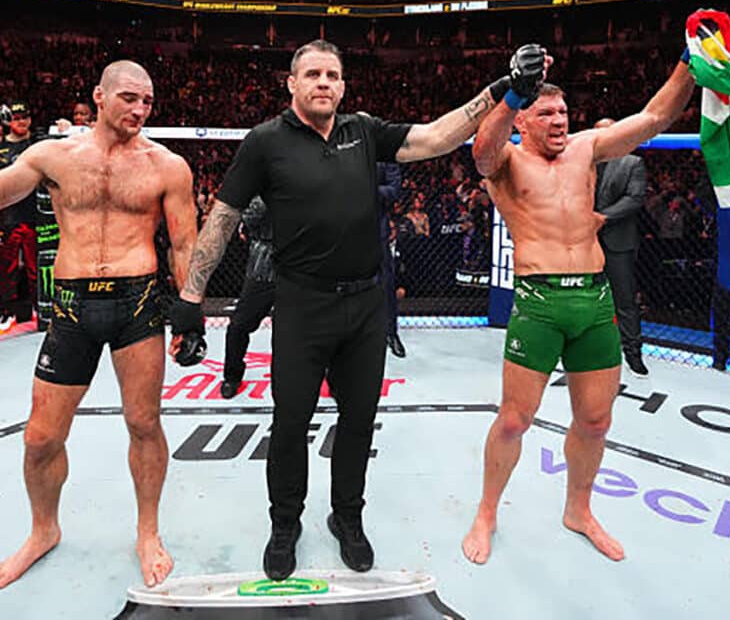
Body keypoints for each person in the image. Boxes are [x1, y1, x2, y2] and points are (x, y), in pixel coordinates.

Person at [167, 39, 547, 581]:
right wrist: (190, 297)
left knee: (358, 421)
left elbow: (438, 137)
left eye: (333, 75)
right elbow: (223, 218)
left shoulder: (363, 130)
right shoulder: (265, 142)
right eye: (314, 74)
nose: (324, 83)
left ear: (343, 85)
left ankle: (347, 517)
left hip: (365, 305)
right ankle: (284, 524)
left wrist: (503, 90)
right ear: (292, 84)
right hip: (300, 303)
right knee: (291, 421)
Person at [0, 61, 199, 590]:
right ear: (99, 97)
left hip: (138, 303)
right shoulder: (51, 155)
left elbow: (183, 244)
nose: (139, 109)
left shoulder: (168, 165)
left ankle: (148, 532)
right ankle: (43, 531)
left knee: (143, 423)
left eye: (148, 102)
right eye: (129, 98)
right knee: (40, 438)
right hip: (71, 305)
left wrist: (189, 310)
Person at [460, 49, 696, 566]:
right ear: (522, 118)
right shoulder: (507, 159)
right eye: (545, 113)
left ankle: (579, 510)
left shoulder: (587, 148)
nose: (559, 121)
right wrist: (514, 91)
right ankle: (486, 511)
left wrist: (687, 62)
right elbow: (481, 151)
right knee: (515, 420)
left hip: (594, 297)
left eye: (563, 113)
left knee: (595, 420)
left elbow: (654, 118)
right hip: (540, 301)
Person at [593, 117, 649, 377]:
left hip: (617, 241)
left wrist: (602, 218)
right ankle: (585, 350)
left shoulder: (632, 162)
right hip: (584, 241)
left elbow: (634, 198)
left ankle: (633, 354)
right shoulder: (582, 163)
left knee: (625, 301)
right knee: (583, 298)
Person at [0, 99, 39, 333]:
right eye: (17, 118)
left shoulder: (39, 143)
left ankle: (41, 308)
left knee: (36, 268)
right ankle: (7, 312)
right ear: (9, 122)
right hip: (7, 216)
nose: (22, 122)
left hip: (36, 215)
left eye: (25, 117)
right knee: (6, 270)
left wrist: (64, 127)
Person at [221, 195, 276, 398]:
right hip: (263, 267)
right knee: (239, 325)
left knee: (298, 329)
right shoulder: (265, 184)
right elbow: (250, 215)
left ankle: (331, 377)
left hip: (298, 266)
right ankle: (231, 376)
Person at [377, 162, 405, 358]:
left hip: (376, 227)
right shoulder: (343, 147)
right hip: (345, 226)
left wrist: (366, 189)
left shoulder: (384, 153)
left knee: (386, 282)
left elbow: (394, 189)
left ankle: (390, 333)